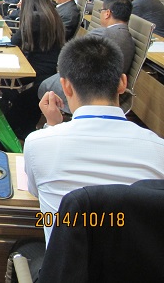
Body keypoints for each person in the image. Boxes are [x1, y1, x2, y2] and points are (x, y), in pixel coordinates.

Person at [26, 35, 164, 244]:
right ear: (122, 83)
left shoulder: (38, 143)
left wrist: (53, 127)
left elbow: (35, 192)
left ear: (66, 87)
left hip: (66, 263)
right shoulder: (159, 149)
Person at [38, 0, 136, 114]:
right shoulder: (130, 39)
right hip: (108, 91)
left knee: (42, 85)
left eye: (101, 11)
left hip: (85, 89)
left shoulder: (101, 34)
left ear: (107, 13)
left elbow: (73, 57)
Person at [0, 0, 65, 139]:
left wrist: (21, 13)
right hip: (49, 68)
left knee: (1, 79)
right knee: (7, 83)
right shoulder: (52, 12)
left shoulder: (35, 17)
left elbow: (15, 41)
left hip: (38, 70)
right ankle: (11, 113)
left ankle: (8, 123)